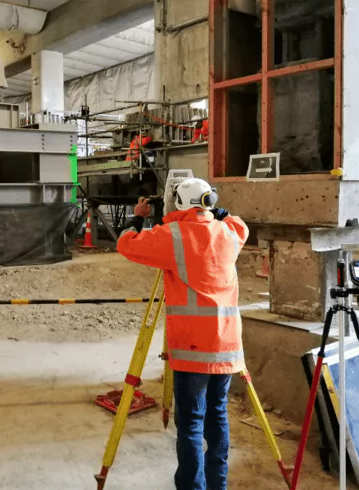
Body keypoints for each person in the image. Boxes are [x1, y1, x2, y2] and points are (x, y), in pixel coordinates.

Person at [115, 178, 248, 490]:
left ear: (177, 201)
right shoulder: (229, 233)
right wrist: (220, 214)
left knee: (190, 424)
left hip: (192, 349)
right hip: (227, 346)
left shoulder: (173, 236)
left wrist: (138, 216)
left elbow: (126, 244)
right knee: (217, 415)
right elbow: (240, 225)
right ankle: (219, 484)